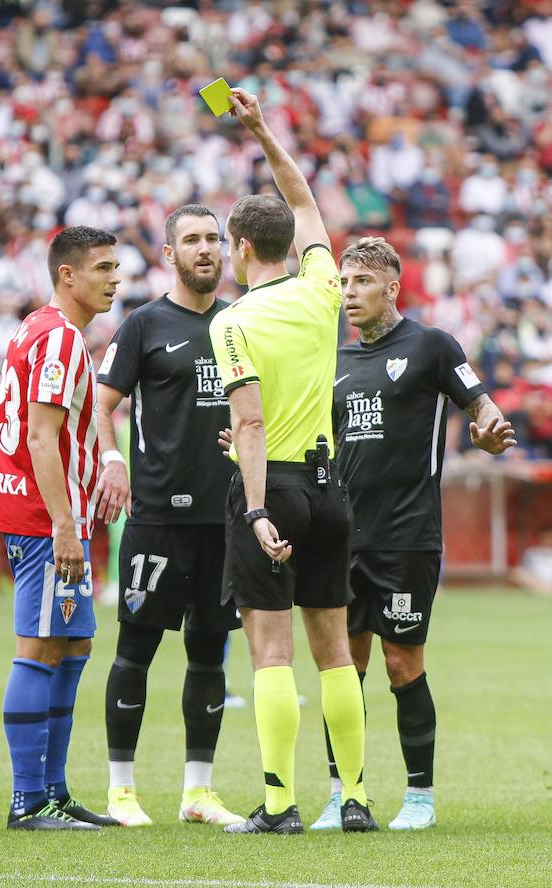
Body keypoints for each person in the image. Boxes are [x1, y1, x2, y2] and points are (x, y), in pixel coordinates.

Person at [207, 87, 372, 835]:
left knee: (271, 655)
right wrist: (264, 131)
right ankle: (359, 799)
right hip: (332, 485)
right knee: (335, 653)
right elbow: (303, 197)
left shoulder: (234, 321)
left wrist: (257, 508)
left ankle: (278, 805)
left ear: (241, 248)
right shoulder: (324, 286)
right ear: (292, 242)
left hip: (273, 485)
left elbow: (247, 421)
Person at [313, 236, 516, 830]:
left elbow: (481, 406)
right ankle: (343, 794)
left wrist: (489, 429)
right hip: (341, 537)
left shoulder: (430, 346)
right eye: (344, 283)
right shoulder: (334, 362)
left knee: (403, 663)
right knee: (343, 671)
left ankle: (420, 797)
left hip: (407, 536)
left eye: (361, 283)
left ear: (391, 288)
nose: (349, 293)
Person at [89, 204, 245, 829]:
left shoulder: (243, 322)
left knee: (210, 655)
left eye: (213, 239)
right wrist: (110, 459)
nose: (205, 249)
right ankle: (121, 791)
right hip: (156, 517)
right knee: (136, 650)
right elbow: (101, 405)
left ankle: (197, 793)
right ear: (169, 253)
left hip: (227, 518)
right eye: (192, 240)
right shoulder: (144, 324)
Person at [0, 225, 121, 831]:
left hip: (54, 515)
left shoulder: (40, 330)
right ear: (67, 275)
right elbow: (42, 436)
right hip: (47, 520)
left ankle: (55, 792)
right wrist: (65, 526)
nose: (115, 279)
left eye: (116, 267)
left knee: (73, 645)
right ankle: (27, 801)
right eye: (102, 268)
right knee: (40, 647)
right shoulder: (60, 339)